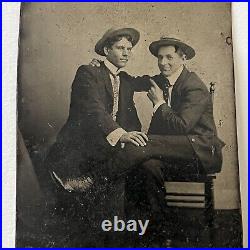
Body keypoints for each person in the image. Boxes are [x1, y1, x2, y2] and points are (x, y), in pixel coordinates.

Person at [89, 36, 225, 246]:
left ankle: (95, 179)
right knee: (146, 165)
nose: (163, 63)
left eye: (169, 57)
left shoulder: (193, 86)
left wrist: (159, 102)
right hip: (173, 152)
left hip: (200, 152)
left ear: (183, 58)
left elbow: (182, 127)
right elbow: (130, 81)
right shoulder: (163, 79)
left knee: (143, 142)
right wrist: (102, 67)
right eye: (160, 58)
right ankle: (156, 231)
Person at [44, 27, 167, 247]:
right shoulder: (88, 72)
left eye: (129, 49)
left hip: (112, 147)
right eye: (120, 48)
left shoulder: (126, 79)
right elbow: (94, 110)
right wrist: (122, 135)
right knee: (118, 180)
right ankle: (112, 235)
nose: (126, 53)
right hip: (83, 148)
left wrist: (173, 70)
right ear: (106, 49)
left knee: (151, 166)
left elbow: (149, 80)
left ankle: (152, 235)